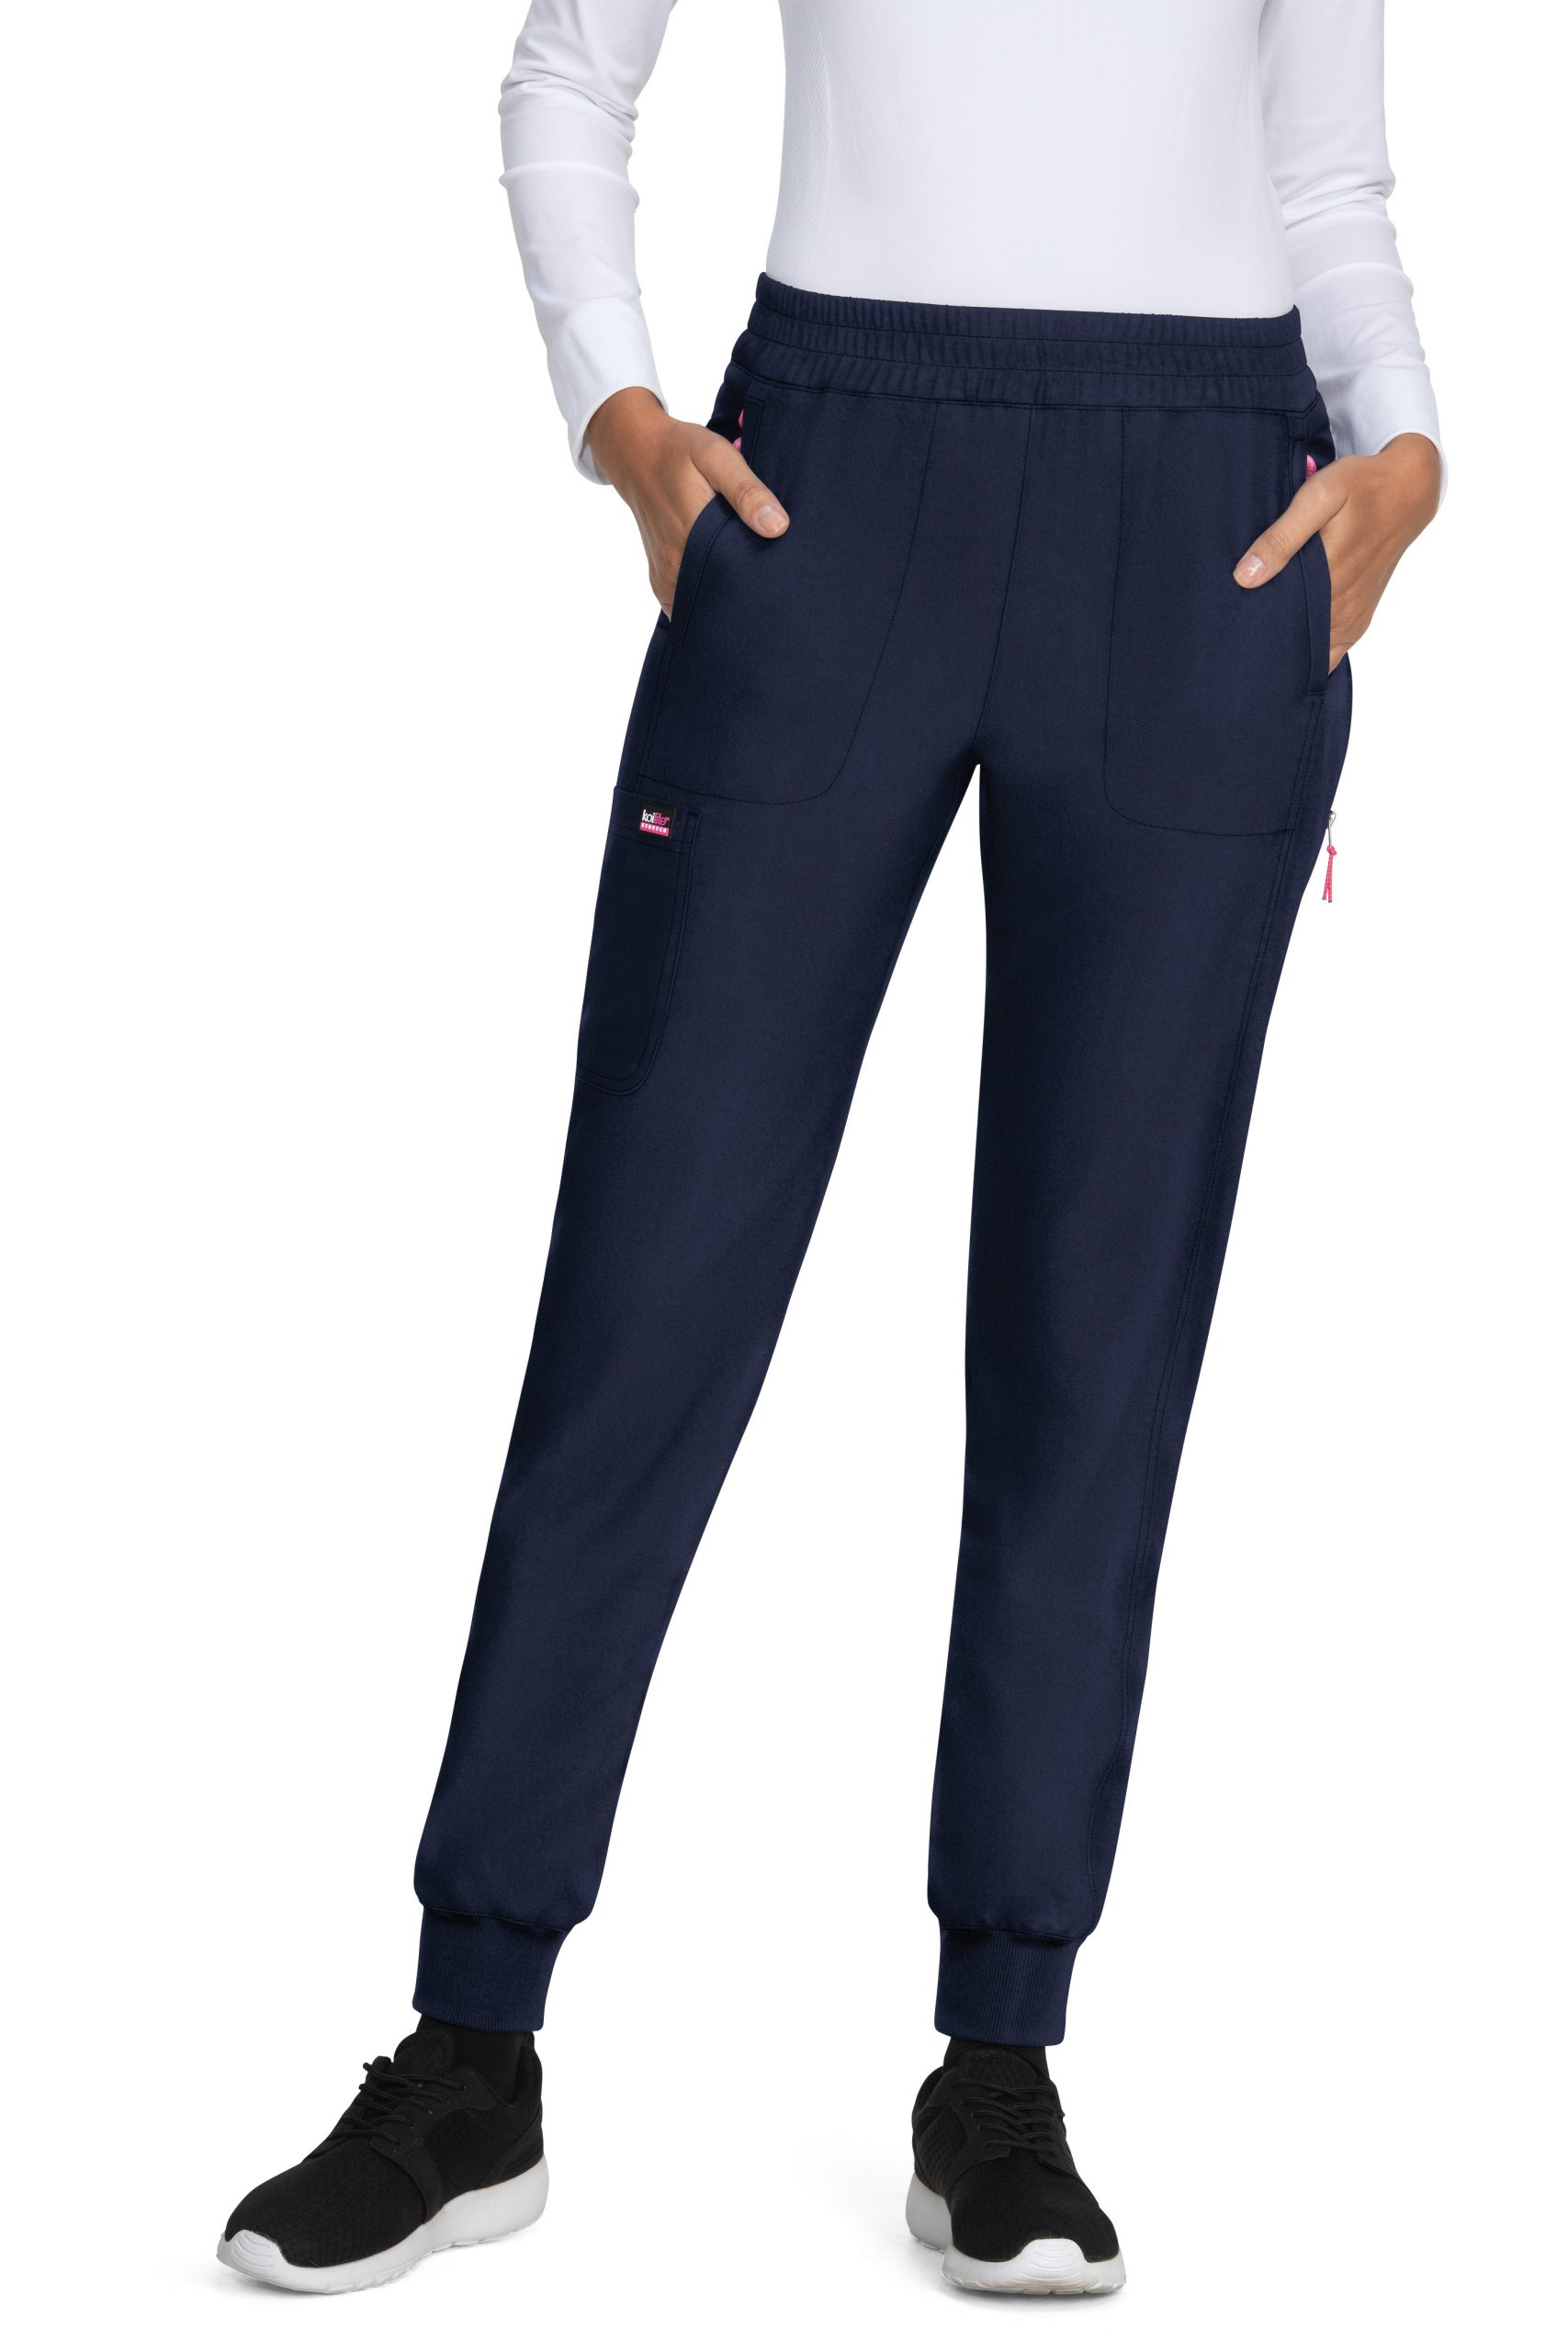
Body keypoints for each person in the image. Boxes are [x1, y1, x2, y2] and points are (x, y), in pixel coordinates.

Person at [219, 0, 1441, 2298]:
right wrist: (617, 413)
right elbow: (567, 72)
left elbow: (1322, 184)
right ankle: (471, 2042)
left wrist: (1403, 447)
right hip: (830, 482)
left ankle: (1000, 2060)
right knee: (649, 1280)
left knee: (1093, 1323)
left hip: (1208, 514)